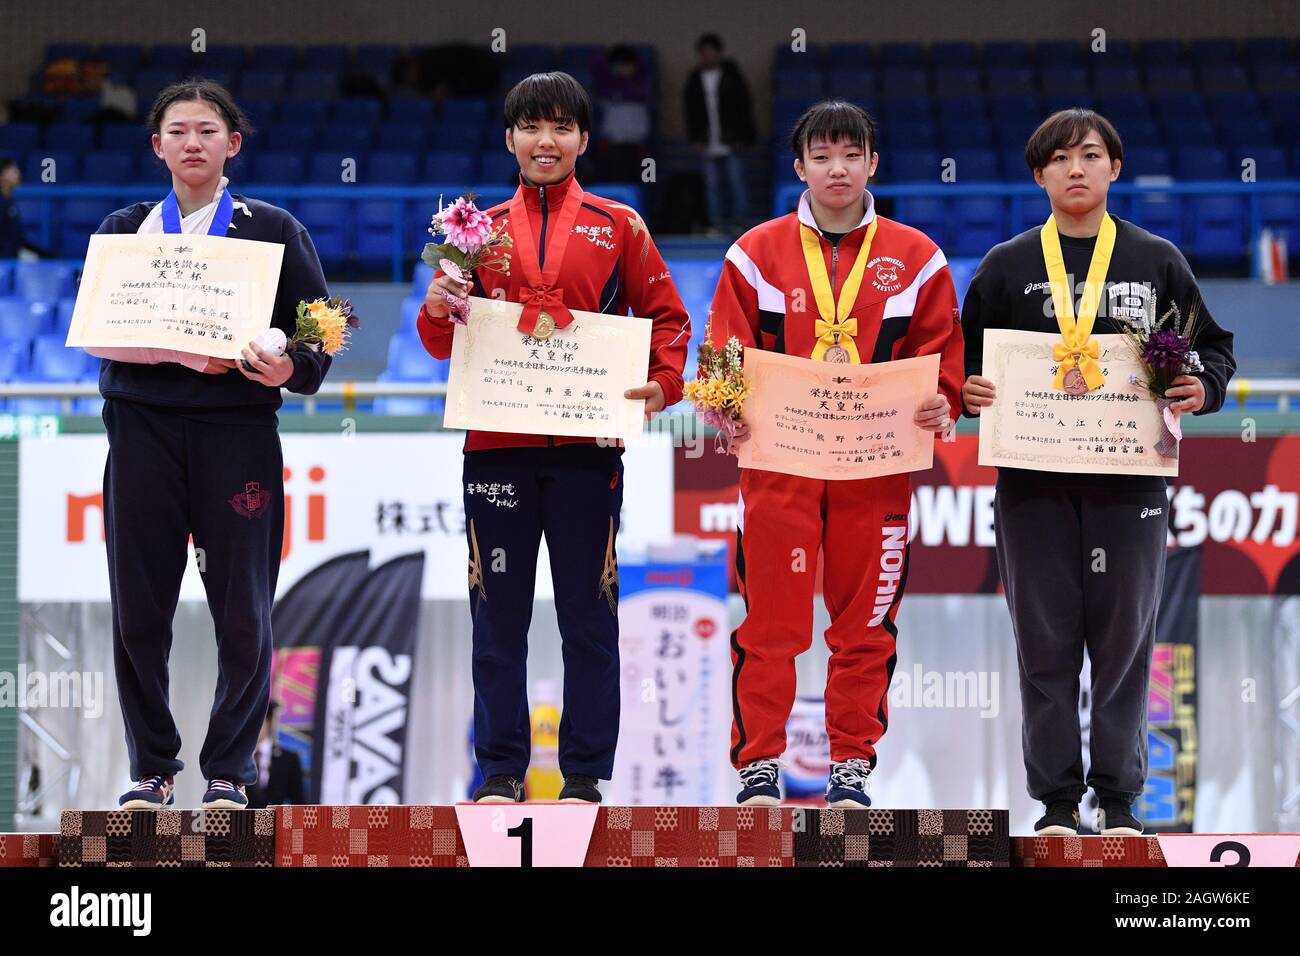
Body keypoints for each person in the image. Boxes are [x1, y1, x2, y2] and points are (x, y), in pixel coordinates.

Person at [960, 108, 1235, 836]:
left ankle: (1118, 805)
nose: (1074, 169)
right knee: (1044, 646)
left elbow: (1213, 352)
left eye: (1089, 155)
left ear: (1115, 167)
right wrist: (966, 389)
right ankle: (1055, 806)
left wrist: (1201, 387)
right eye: (1057, 158)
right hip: (1032, 484)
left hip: (1131, 483)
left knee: (1123, 646)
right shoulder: (1006, 266)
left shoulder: (1157, 260)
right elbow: (961, 367)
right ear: (1039, 175)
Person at [417, 72, 690, 804]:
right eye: (532, 127)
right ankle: (501, 774)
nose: (547, 140)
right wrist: (441, 305)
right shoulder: (472, 229)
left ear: (583, 140)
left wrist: (665, 382)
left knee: (589, 620)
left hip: (587, 451)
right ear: (509, 139)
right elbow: (437, 341)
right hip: (496, 449)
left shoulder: (618, 224)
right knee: (496, 622)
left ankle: (582, 777)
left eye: (562, 127)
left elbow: (667, 318)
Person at [707, 100, 963, 807]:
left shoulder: (917, 257)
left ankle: (851, 765)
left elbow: (942, 359)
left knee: (865, 625)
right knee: (771, 624)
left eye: (851, 155)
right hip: (780, 469)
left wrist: (943, 399)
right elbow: (724, 351)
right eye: (822, 157)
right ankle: (759, 765)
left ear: (873, 163)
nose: (838, 168)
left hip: (875, 472)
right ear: (800, 168)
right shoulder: (753, 252)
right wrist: (721, 402)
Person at [90, 79, 334, 811]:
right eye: (178, 131)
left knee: (243, 610)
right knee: (139, 608)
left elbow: (320, 327)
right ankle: (152, 770)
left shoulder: (273, 228)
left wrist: (295, 362)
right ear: (156, 145)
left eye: (207, 131)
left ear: (234, 143)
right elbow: (99, 328)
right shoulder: (126, 227)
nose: (192, 143)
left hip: (238, 430)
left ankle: (229, 771)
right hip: (140, 430)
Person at [683, 34, 755, 234]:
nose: (707, 57)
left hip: (732, 141)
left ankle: (740, 224)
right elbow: (690, 111)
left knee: (736, 183)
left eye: (711, 53)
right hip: (707, 142)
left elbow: (744, 108)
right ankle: (715, 224)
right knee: (711, 187)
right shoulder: (695, 79)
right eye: (704, 53)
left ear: (718, 54)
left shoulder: (733, 76)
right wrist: (695, 138)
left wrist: (742, 137)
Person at [247, 701, 305, 808]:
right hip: (243, 822)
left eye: (257, 721)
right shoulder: (238, 758)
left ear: (268, 722)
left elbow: (299, 802)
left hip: (277, 822)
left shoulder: (289, 759)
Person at [0, 157, 51, 258]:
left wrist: (43, 254)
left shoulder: (10, 202)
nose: (18, 174)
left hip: (12, 260)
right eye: (13, 171)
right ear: (1, 176)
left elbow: (17, 238)